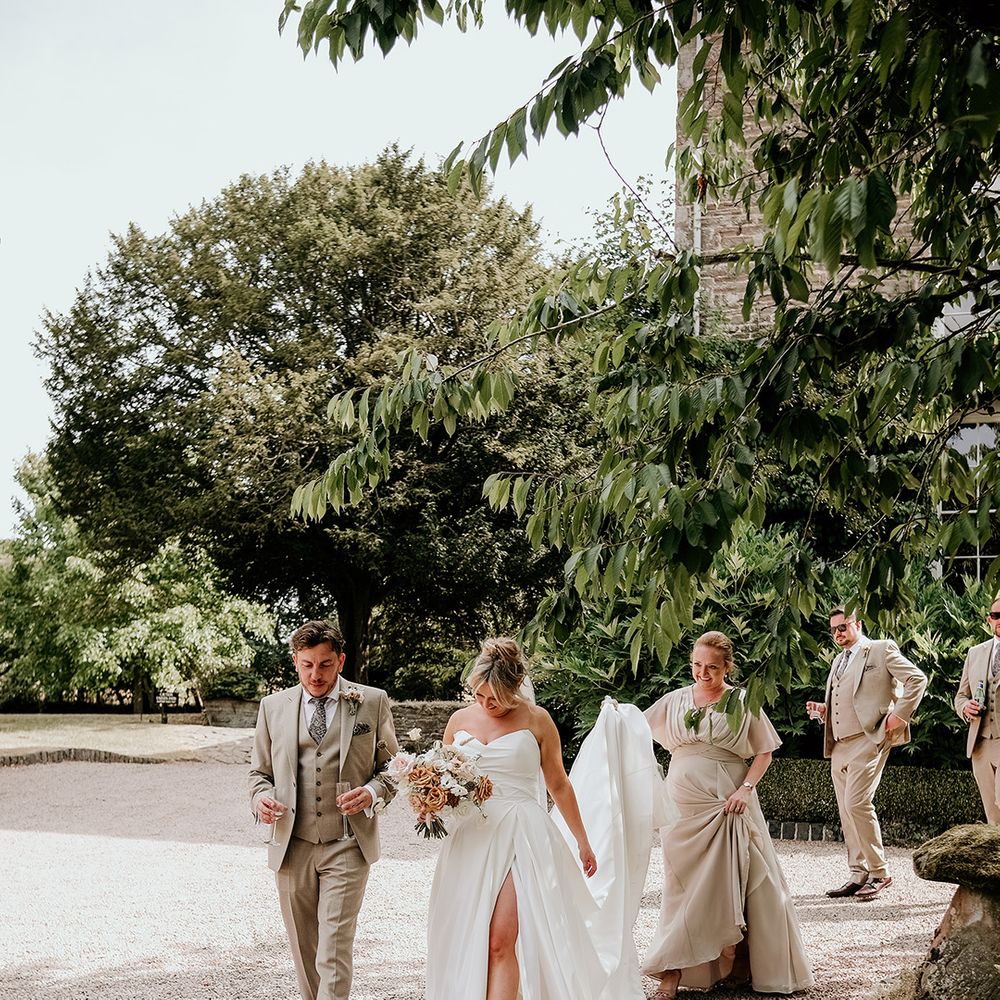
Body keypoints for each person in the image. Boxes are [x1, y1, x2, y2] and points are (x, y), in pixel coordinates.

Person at [425, 637, 607, 1000]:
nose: (486, 704)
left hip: (521, 834)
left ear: (514, 689)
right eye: (479, 696)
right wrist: (429, 801)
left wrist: (583, 841)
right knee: (468, 933)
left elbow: (558, 784)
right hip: (471, 837)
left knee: (499, 940)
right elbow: (439, 775)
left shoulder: (538, 720)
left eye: (495, 698)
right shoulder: (459, 720)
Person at [642, 631, 814, 999]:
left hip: (728, 801)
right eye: (697, 665)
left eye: (712, 668)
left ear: (727, 667)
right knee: (679, 885)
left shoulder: (740, 702)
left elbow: (765, 751)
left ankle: (739, 960)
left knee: (744, 878)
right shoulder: (674, 700)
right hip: (681, 805)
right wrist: (615, 717)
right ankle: (671, 970)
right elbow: (636, 729)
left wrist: (745, 789)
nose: (702, 673)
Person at [248, 620, 398, 1000]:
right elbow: (259, 773)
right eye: (307, 664)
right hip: (291, 844)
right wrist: (259, 799)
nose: (316, 674)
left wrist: (371, 791)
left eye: (326, 664)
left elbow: (394, 771)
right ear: (295, 662)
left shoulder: (372, 701)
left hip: (347, 843)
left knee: (333, 950)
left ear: (341, 660)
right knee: (304, 949)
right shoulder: (271, 707)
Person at [805, 607, 927, 901]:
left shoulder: (880, 649)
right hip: (840, 745)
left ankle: (880, 872)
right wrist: (823, 710)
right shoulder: (837, 660)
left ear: (857, 624)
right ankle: (858, 874)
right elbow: (845, 700)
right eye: (834, 630)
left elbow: (917, 679)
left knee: (857, 802)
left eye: (843, 627)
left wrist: (900, 715)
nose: (838, 634)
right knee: (847, 811)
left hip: (870, 738)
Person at [954, 596, 1000, 823]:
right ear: (989, 620)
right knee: (993, 815)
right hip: (980, 743)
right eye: (996, 616)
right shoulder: (975, 653)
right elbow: (960, 696)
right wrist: (965, 707)